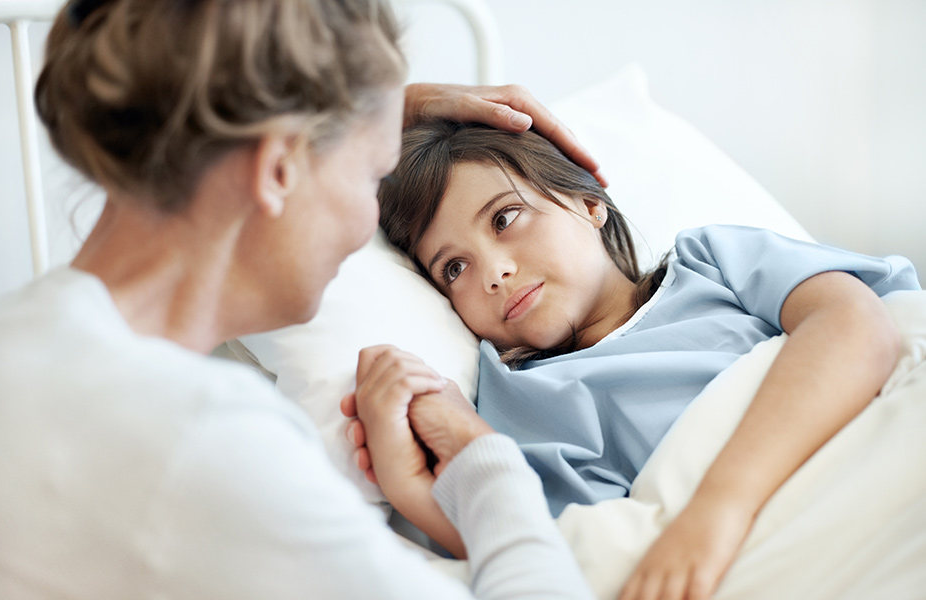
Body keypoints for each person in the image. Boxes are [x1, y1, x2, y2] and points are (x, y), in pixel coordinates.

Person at [0, 1, 601, 598]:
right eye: (371, 176)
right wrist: (484, 466)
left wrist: (371, 113)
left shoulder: (15, 345)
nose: (371, 228)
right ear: (279, 168)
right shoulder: (209, 446)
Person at [349, 120, 921, 599]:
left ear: (589, 202)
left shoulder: (714, 262)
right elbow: (554, 557)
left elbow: (858, 329)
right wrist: (413, 492)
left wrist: (718, 508)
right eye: (454, 268)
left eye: (504, 218)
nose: (493, 271)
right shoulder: (523, 396)